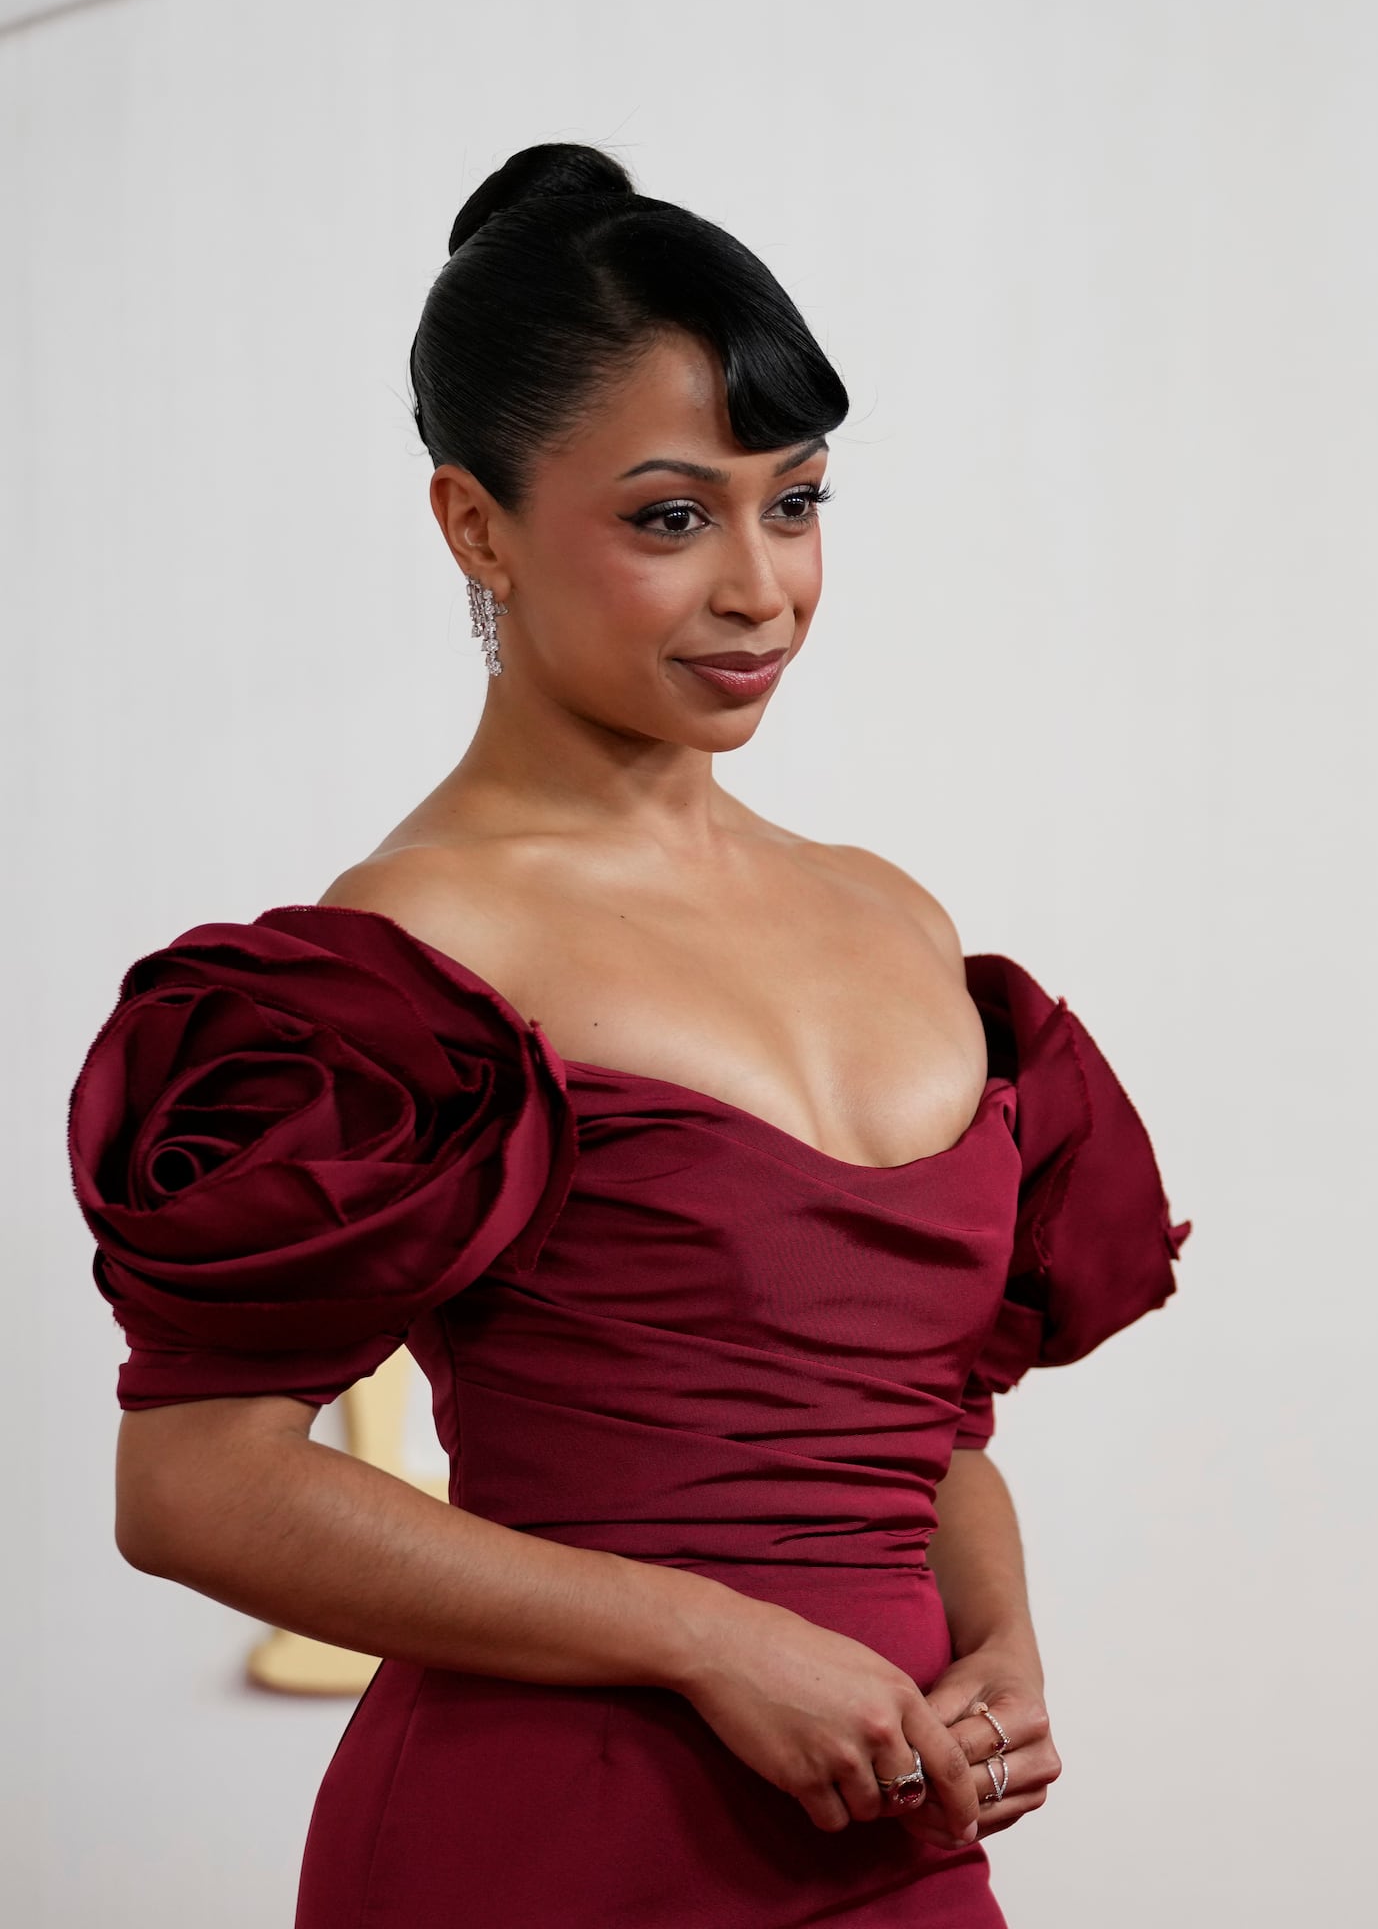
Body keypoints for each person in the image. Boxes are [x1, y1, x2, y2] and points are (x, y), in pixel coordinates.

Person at [64, 143, 1187, 1927]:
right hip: (549, 1840)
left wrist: (1005, 1639)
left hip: (888, 1831)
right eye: (671, 518)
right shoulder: (406, 953)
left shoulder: (890, 912)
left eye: (796, 502)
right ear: (475, 524)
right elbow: (193, 1486)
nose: (761, 588)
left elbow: (925, 1413)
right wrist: (706, 1639)